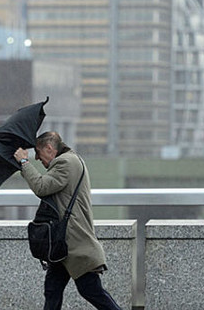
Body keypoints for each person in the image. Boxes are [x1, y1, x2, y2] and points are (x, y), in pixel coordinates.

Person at [14, 131, 122, 310]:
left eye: (39, 155)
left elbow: (41, 187)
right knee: (52, 291)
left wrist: (24, 162)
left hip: (75, 243)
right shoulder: (70, 160)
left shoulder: (66, 163)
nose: (39, 160)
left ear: (49, 148)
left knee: (90, 290)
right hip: (63, 244)